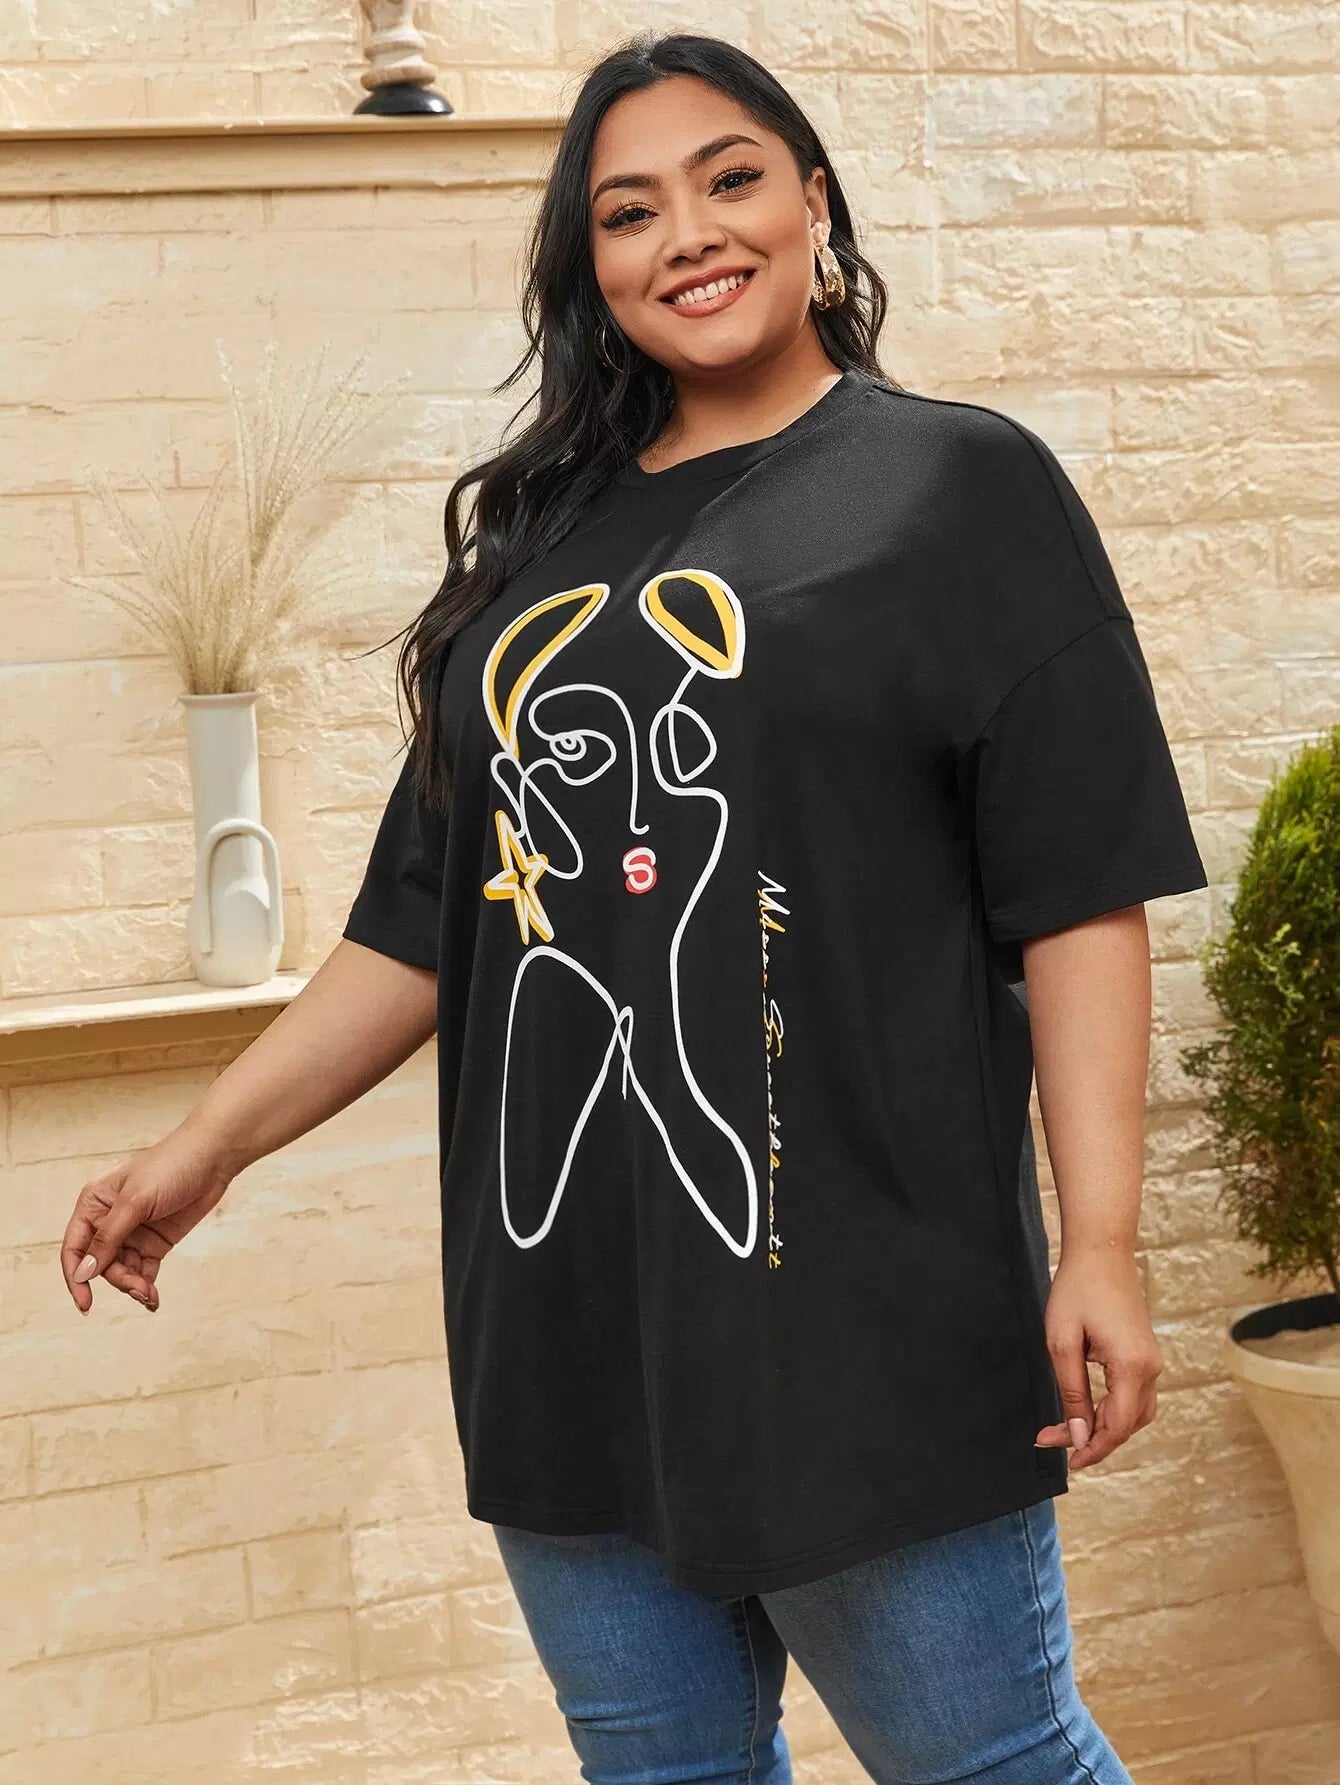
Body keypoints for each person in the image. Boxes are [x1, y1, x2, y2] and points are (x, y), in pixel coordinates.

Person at [59, 30, 1209, 1785]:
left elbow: (1079, 889)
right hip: (563, 1325)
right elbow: (425, 919)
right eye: (629, 210)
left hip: (864, 1323)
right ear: (589, 262)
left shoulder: (961, 490)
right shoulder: (539, 542)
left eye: (730, 179)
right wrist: (201, 1152)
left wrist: (1102, 1241)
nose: (689, 234)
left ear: (812, 199)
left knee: (995, 1765)